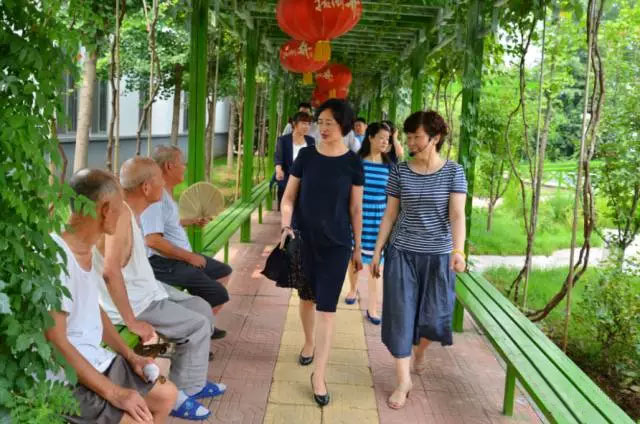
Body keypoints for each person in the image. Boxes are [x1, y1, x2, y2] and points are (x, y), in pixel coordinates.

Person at [93, 157, 226, 420]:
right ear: (146, 187)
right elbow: (110, 270)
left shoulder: (132, 211)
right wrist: (131, 321)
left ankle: (193, 381)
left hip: (149, 290)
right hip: (136, 303)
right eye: (160, 180)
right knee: (198, 325)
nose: (164, 184)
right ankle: (182, 394)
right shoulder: (121, 216)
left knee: (201, 307)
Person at [45, 168, 178, 424]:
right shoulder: (55, 257)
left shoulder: (87, 250)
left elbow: (93, 309)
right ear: (106, 210)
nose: (122, 216)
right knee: (136, 420)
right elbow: (56, 342)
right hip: (63, 377)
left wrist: (131, 355)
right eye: (120, 209)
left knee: (166, 395)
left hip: (94, 359)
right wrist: (115, 393)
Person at [371, 110, 467, 410]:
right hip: (402, 254)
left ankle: (420, 351)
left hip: (438, 256)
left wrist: (458, 251)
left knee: (434, 319)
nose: (410, 142)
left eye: (417, 137)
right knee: (400, 317)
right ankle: (403, 381)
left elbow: (457, 215)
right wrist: (377, 250)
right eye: (408, 136)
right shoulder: (400, 171)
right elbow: (390, 214)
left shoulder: (453, 172)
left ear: (435, 138)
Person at [280, 99, 364, 407]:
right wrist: (286, 225)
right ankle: (308, 341)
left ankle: (319, 375)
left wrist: (358, 247)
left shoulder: (353, 163)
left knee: (327, 309)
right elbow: (289, 197)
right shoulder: (306, 155)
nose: (323, 128)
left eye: (330, 122)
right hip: (305, 239)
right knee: (306, 298)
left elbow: (355, 208)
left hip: (337, 244)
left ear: (344, 125)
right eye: (321, 122)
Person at [141, 145, 231, 339]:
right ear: (169, 166)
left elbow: (164, 224)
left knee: (223, 272)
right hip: (164, 263)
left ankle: (204, 325)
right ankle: (197, 332)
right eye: (182, 163)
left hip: (178, 258)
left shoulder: (165, 193)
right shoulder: (156, 198)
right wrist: (189, 257)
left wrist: (189, 222)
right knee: (218, 294)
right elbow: (152, 240)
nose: (185, 167)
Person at [344, 122, 391, 326]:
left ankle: (373, 306)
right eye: (381, 138)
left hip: (379, 218)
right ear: (370, 137)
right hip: (358, 215)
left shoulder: (390, 165)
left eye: (387, 139)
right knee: (354, 254)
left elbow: (392, 197)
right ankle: (353, 289)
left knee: (376, 260)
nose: (385, 142)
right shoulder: (357, 162)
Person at [274, 111, 315, 209]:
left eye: (308, 124)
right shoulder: (283, 140)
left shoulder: (311, 140)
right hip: (287, 180)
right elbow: (278, 159)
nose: (306, 127)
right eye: (303, 123)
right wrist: (279, 170)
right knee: (286, 209)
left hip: (305, 182)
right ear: (294, 124)